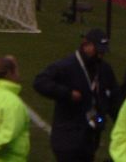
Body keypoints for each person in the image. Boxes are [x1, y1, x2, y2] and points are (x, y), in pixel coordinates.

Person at [33, 29, 120, 162]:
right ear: (86, 45)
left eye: (103, 51)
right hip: (67, 137)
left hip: (90, 137)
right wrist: (67, 94)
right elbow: (40, 82)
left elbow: (114, 99)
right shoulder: (67, 66)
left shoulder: (104, 70)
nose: (101, 54)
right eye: (98, 49)